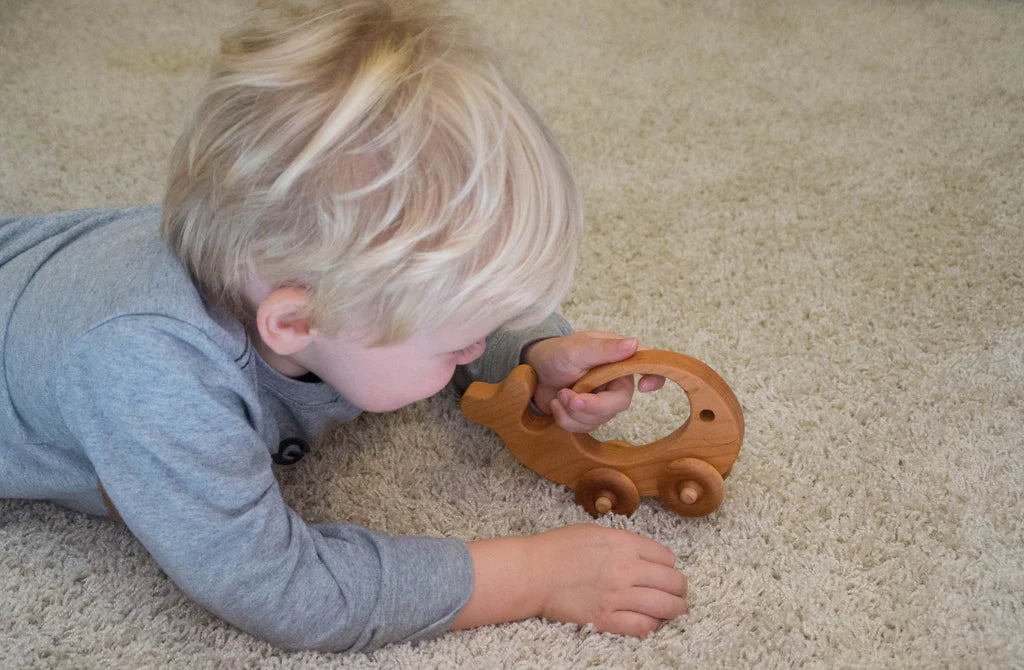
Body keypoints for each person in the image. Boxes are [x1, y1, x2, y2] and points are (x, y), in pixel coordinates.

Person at [0, 0, 686, 652]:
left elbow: (455, 310)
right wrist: (533, 575)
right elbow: (281, 591)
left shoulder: (274, 262)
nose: (479, 346)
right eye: (459, 343)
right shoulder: (154, 372)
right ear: (296, 323)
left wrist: (530, 354)